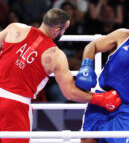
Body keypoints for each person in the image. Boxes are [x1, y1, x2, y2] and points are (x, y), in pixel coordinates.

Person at [0, 8, 121, 143]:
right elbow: (70, 93)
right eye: (64, 30)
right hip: (15, 106)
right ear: (58, 30)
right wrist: (101, 99)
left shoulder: (16, 28)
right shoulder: (56, 55)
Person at [76, 10, 129, 143]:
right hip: (101, 99)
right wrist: (87, 65)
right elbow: (92, 46)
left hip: (126, 108)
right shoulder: (124, 35)